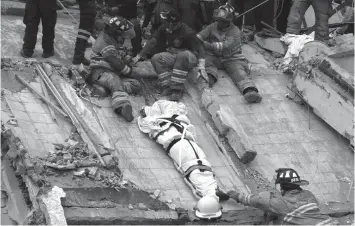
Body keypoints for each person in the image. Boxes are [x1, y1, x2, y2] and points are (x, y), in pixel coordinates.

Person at [137, 100, 230, 202]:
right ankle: (208, 193)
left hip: (187, 140)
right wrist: (151, 116)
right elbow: (147, 124)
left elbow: (175, 107)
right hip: (175, 143)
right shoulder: (150, 122)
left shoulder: (168, 114)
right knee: (191, 164)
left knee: (202, 162)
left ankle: (213, 189)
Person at [132, 10, 206, 101]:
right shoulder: (164, 28)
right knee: (156, 58)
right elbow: (152, 42)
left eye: (166, 21)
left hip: (189, 57)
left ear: (172, 23)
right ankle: (167, 86)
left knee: (182, 55)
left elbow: (200, 47)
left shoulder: (187, 32)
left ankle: (177, 90)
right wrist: (138, 57)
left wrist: (201, 66)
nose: (163, 22)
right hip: (174, 54)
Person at [196, 4, 262, 103]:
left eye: (223, 21)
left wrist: (207, 45)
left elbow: (225, 46)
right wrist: (195, 40)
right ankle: (206, 83)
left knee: (238, 72)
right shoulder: (213, 26)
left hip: (232, 58)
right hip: (215, 56)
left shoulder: (235, 31)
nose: (220, 23)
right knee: (207, 64)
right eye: (218, 20)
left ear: (229, 21)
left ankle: (250, 90)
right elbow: (200, 36)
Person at [227, 168, 340, 225]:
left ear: (282, 187)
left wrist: (234, 195)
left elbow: (258, 201)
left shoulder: (282, 204)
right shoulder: (309, 195)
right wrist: (288, 173)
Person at [88, 16, 142, 122]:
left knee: (136, 85)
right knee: (114, 80)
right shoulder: (105, 40)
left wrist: (125, 56)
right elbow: (114, 62)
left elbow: (117, 54)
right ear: (116, 31)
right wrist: (129, 71)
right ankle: (122, 107)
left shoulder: (113, 38)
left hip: (112, 73)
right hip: (100, 72)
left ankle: (108, 90)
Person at [73, 0, 97, 65]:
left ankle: (78, 56)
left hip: (86, 6)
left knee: (84, 33)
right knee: (84, 33)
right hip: (88, 7)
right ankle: (78, 58)